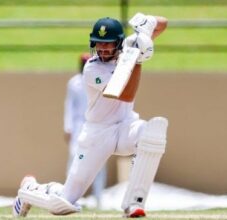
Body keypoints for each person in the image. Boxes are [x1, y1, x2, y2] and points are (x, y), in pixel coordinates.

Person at [13, 12, 168, 218]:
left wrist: (146, 29)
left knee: (149, 135)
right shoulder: (92, 69)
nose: (102, 48)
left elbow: (163, 24)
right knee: (64, 203)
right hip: (97, 134)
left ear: (119, 43)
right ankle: (29, 190)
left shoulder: (129, 49)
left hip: (125, 127)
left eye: (108, 44)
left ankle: (133, 204)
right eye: (98, 43)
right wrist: (138, 60)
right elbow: (126, 95)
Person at [63, 53, 107, 208]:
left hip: (95, 124)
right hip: (78, 125)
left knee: (99, 160)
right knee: (74, 157)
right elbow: (69, 106)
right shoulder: (73, 83)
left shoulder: (98, 80)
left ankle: (99, 198)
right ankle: (70, 196)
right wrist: (67, 127)